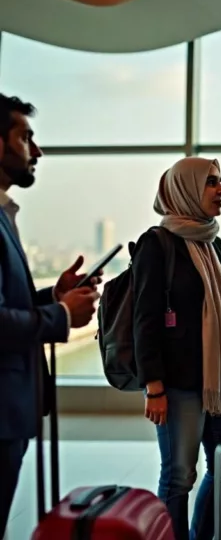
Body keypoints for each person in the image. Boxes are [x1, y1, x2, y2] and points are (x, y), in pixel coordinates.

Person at [132, 157, 221, 540]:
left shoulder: (213, 243)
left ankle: (200, 535)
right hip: (176, 384)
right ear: (187, 189)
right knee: (178, 476)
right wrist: (154, 387)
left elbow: (215, 304)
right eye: (211, 182)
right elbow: (144, 320)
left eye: (220, 182)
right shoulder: (156, 245)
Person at [0, 94, 101, 537]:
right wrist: (60, 314)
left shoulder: (4, 215)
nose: (36, 151)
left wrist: (52, 295)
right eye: (25, 137)